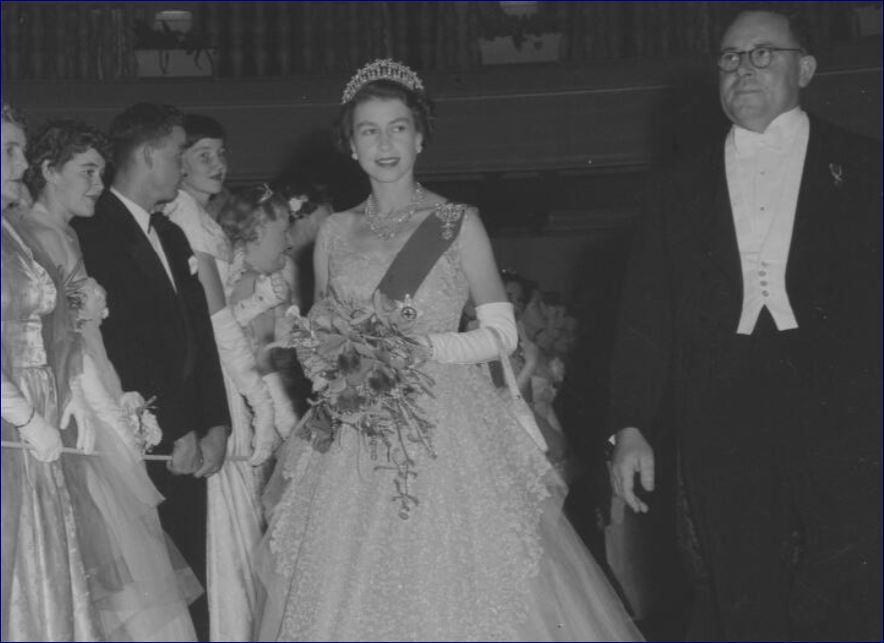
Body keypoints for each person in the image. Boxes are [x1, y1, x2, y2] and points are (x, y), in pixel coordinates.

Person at [253, 59, 642, 641]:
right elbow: (322, 324)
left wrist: (420, 347)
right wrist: (323, 361)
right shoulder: (333, 232)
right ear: (351, 147)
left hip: (447, 425)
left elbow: (502, 335)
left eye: (398, 127)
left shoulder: (457, 224)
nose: (385, 143)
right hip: (359, 428)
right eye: (369, 131)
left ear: (420, 136)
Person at [608, 8, 882, 640]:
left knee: (849, 585)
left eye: (763, 54)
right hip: (720, 413)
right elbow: (644, 315)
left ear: (805, 68)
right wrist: (629, 424)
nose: (743, 69)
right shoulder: (675, 186)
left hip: (845, 414)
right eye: (731, 58)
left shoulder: (868, 168)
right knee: (738, 590)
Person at [13, 117, 202, 640]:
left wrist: (124, 399)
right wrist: (106, 408)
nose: (98, 184)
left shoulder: (67, 233)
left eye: (101, 172)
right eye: (88, 172)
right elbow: (58, 344)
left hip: (97, 382)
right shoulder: (31, 235)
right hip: (71, 398)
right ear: (48, 171)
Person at [73, 102, 232, 641]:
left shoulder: (172, 235)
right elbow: (120, 344)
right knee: (153, 601)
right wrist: (177, 425)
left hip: (192, 435)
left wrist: (217, 422)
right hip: (150, 438)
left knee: (194, 586)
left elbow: (201, 337)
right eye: (176, 153)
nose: (183, 166)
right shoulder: (94, 234)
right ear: (146, 154)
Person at [165, 115, 293, 641]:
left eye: (222, 153)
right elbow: (217, 320)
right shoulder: (186, 220)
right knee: (229, 526)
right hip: (220, 381)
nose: (218, 164)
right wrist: (264, 404)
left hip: (231, 377)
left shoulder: (204, 218)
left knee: (242, 519)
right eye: (203, 155)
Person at [1, 102, 108, 641]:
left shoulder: (11, 232)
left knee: (47, 558)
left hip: (40, 395)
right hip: (9, 415)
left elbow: (52, 323)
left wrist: (69, 395)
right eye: (8, 151)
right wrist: (23, 416)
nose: (21, 164)